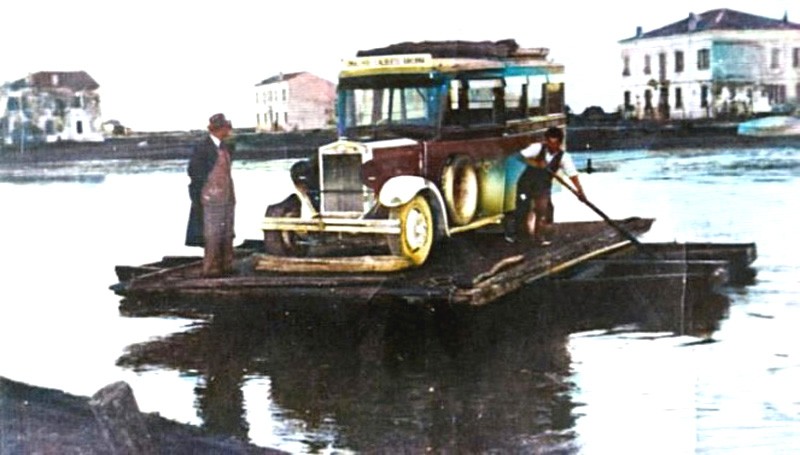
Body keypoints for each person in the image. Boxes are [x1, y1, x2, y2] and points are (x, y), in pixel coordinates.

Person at [505, 126, 585, 245]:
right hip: (526, 184)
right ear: (546, 141)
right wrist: (535, 163)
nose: (552, 146)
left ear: (560, 142)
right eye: (550, 142)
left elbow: (572, 175)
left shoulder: (564, 157)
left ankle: (539, 238)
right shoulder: (537, 148)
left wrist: (580, 191)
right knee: (522, 209)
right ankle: (519, 237)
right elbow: (518, 156)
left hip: (543, 186)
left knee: (542, 211)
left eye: (555, 143)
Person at [185, 113, 236, 277]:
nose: (229, 131)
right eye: (227, 128)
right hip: (211, 198)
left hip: (227, 196)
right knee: (212, 234)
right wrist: (202, 194)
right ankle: (211, 268)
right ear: (219, 129)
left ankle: (226, 264)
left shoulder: (224, 146)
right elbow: (194, 173)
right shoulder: (202, 148)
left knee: (228, 231)